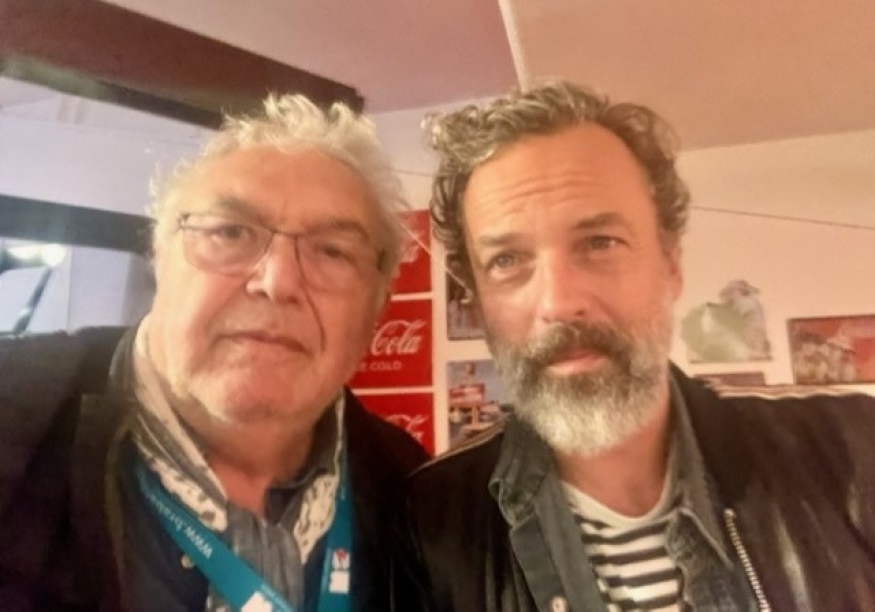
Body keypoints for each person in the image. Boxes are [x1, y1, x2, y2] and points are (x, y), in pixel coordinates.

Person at [394, 81, 875, 611]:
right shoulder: (433, 523)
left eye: (600, 242)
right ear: (479, 302)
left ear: (670, 262)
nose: (559, 302)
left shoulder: (850, 451)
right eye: (506, 261)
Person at [0, 95, 428, 612]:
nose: (277, 281)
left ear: (378, 301)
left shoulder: (416, 493)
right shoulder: (13, 421)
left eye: (333, 251)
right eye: (230, 232)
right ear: (160, 255)